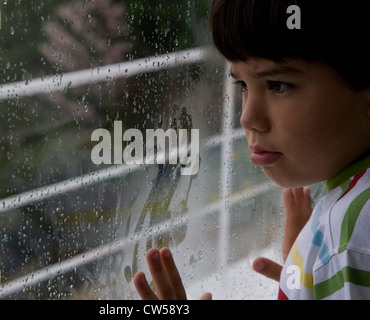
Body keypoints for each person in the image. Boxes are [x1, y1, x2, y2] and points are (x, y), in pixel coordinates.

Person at [133, 0, 370, 300]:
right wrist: (307, 273)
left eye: (278, 85)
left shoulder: (347, 243)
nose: (247, 117)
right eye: (243, 85)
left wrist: (324, 262)